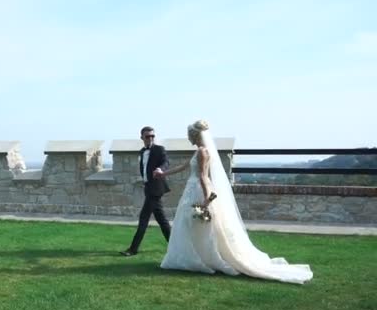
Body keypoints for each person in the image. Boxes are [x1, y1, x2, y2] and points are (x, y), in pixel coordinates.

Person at [154, 120, 313, 284]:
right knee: (193, 225)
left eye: (189, 135)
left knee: (197, 225)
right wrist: (162, 173)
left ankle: (202, 258)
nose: (188, 138)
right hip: (193, 189)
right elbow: (183, 166)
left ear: (195, 135)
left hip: (197, 191)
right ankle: (197, 257)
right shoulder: (199, 151)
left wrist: (207, 199)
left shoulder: (202, 152)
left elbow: (203, 176)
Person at [120, 126, 172, 257]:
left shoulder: (159, 149)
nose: (150, 138)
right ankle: (175, 246)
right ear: (142, 137)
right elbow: (144, 169)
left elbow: (166, 161)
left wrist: (160, 169)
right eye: (148, 136)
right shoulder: (142, 151)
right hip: (148, 188)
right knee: (162, 220)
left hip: (156, 189)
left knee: (143, 219)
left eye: (152, 136)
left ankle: (133, 249)